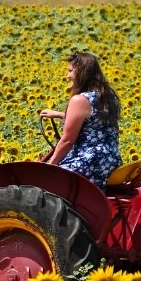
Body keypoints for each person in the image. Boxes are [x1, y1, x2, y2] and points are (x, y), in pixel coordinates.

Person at [41, 50, 121, 188]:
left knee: (44, 182)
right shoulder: (109, 96)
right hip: (111, 161)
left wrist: (50, 166)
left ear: (82, 72)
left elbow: (67, 140)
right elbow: (94, 119)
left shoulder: (80, 100)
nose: (68, 76)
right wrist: (59, 114)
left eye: (71, 71)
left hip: (89, 162)